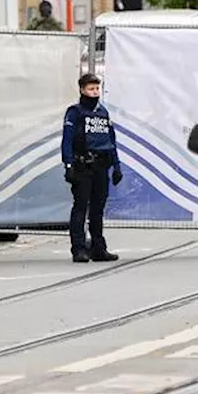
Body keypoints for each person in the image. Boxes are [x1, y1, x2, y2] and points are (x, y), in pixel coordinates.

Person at [61, 73, 122, 263]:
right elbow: (67, 140)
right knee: (80, 208)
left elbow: (111, 141)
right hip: (82, 166)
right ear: (82, 90)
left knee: (98, 210)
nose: (95, 92)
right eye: (90, 89)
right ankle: (78, 248)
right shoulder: (75, 112)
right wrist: (68, 164)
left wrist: (117, 166)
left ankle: (98, 248)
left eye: (97, 88)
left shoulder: (103, 113)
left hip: (101, 167)